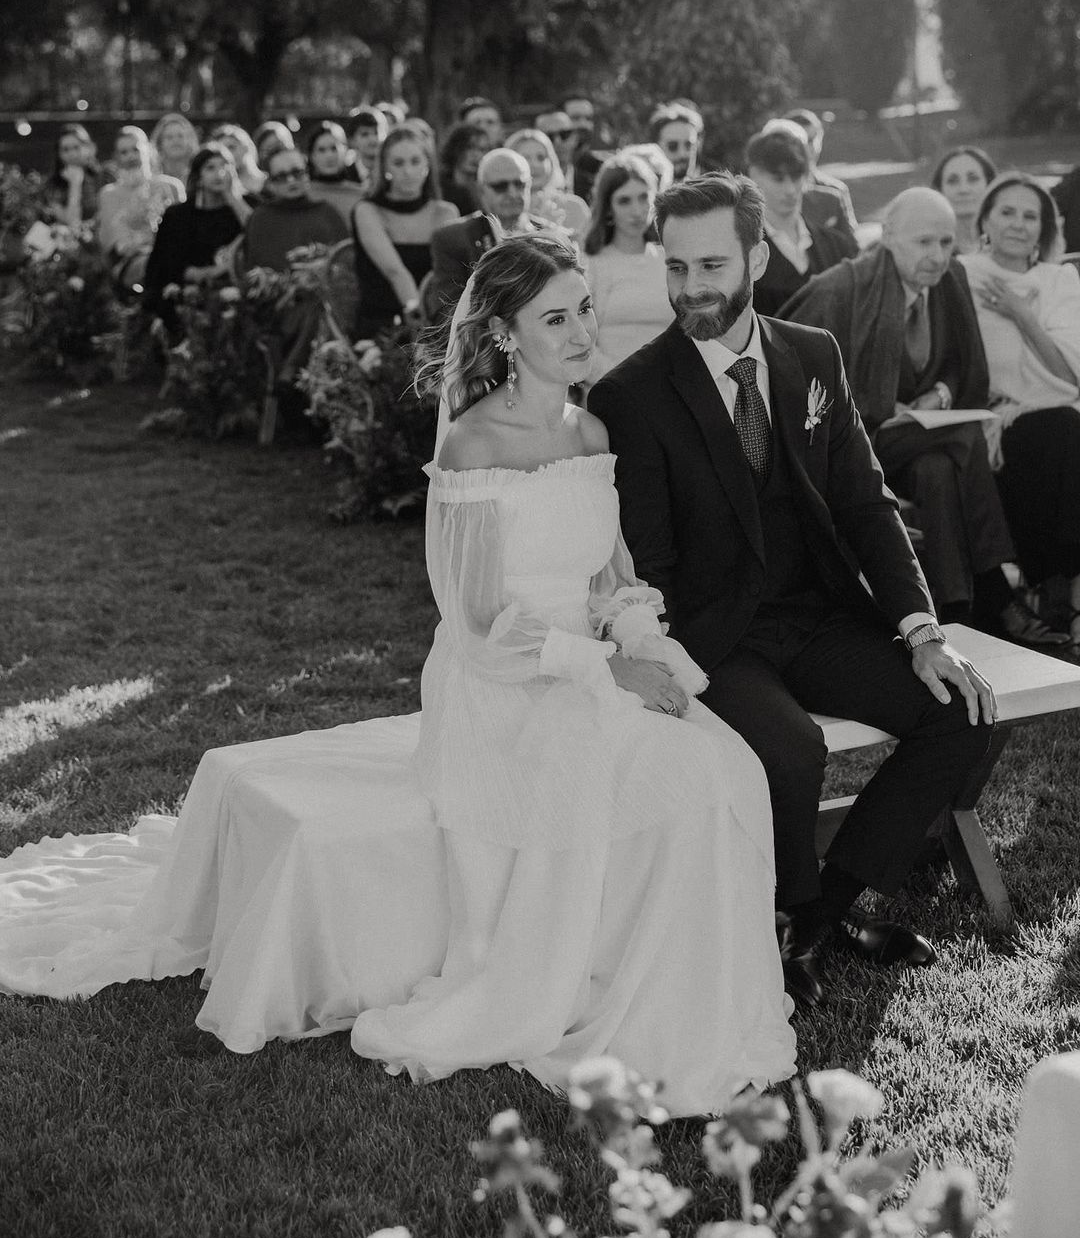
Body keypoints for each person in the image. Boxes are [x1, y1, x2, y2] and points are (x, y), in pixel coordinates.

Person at [0, 234, 796, 1114]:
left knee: (729, 768)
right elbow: (484, 626)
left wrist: (637, 634)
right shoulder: (474, 447)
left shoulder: (592, 426)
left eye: (585, 311)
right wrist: (609, 676)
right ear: (502, 334)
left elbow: (607, 573)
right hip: (505, 685)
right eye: (556, 317)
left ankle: (694, 985)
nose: (580, 333)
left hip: (592, 657)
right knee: (668, 776)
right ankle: (610, 990)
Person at [589, 172, 997, 1012]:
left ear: (757, 255)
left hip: (819, 616)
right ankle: (798, 919)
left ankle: (817, 918)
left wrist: (923, 632)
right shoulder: (629, 395)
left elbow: (865, 502)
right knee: (792, 752)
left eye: (711, 265)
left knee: (960, 710)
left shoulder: (812, 354)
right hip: (719, 636)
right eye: (677, 268)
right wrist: (667, 663)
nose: (693, 288)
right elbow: (652, 561)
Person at [780, 188, 1057, 645]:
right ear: (888, 236)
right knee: (965, 439)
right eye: (924, 242)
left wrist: (942, 395)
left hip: (921, 444)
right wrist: (880, 406)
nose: (937, 256)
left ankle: (952, 610)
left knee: (939, 469)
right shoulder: (842, 289)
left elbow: (963, 365)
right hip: (858, 441)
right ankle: (995, 591)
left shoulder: (948, 283)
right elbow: (794, 380)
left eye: (947, 243)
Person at [962, 174, 1080, 646]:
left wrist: (1020, 312)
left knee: (1063, 427)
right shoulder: (961, 274)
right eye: (1007, 212)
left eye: (1031, 216)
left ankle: (1065, 591)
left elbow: (1071, 373)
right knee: (1057, 431)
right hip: (997, 418)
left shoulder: (1059, 279)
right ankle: (1062, 594)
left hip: (1058, 411)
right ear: (986, 219)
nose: (1018, 224)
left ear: (1045, 228)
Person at [352, 126, 458, 337]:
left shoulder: (445, 212)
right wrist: (419, 318)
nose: (408, 171)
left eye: (415, 161)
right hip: (384, 325)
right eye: (398, 163)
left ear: (427, 164)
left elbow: (447, 276)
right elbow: (396, 273)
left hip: (438, 321)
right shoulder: (367, 211)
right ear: (385, 168)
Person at [427, 147, 555, 318]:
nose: (512, 193)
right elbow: (446, 311)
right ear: (481, 191)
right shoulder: (453, 239)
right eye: (500, 187)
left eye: (519, 184)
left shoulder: (550, 235)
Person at [142, 143, 251, 337]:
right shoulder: (179, 216)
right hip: (188, 291)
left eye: (225, 166)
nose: (220, 173)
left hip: (237, 288)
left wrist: (231, 197)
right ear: (198, 176)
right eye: (211, 167)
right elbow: (166, 266)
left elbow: (258, 232)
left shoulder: (246, 206)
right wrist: (212, 272)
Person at [744, 125, 852, 317]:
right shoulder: (743, 251)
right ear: (754, 174)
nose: (790, 190)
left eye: (796, 177)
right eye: (778, 179)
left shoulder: (836, 245)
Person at [583, 154, 673, 378]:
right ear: (608, 207)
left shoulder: (671, 261)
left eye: (644, 198)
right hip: (608, 387)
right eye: (624, 200)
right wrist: (621, 381)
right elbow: (579, 341)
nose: (637, 210)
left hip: (670, 387)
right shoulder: (589, 264)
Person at [95, 126, 185, 291]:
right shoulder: (108, 194)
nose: (130, 157)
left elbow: (184, 232)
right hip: (132, 265)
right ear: (116, 157)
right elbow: (119, 246)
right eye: (124, 152)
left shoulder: (171, 186)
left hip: (173, 258)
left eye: (135, 150)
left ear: (148, 150)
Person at [242, 147, 347, 272]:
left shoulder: (327, 213)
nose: (291, 181)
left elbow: (345, 258)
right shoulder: (261, 218)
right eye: (281, 176)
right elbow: (258, 267)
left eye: (297, 173)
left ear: (307, 174)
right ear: (271, 183)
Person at [783, 108, 860, 256]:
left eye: (812, 140)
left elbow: (851, 249)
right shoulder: (769, 191)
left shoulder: (836, 190)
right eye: (801, 142)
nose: (807, 149)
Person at [506, 128, 589, 240]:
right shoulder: (504, 209)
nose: (535, 164)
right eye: (525, 158)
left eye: (541, 157)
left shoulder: (575, 207)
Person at [930, 146, 997, 257]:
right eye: (952, 181)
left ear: (989, 185)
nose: (963, 189)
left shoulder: (1009, 245)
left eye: (973, 179)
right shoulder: (930, 252)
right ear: (939, 190)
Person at [38, 124, 102, 232]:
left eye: (76, 147)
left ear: (88, 147)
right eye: (65, 149)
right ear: (59, 154)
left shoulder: (103, 176)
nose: (72, 154)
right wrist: (75, 184)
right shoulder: (53, 185)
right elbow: (72, 223)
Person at [305, 120, 367, 219]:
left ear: (345, 150)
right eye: (321, 150)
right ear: (312, 156)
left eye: (334, 149)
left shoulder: (362, 196)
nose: (329, 156)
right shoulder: (304, 196)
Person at [437, 121, 489, 216]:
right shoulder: (438, 186)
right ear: (455, 148)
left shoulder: (489, 188)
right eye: (469, 147)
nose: (476, 155)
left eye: (481, 149)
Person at [210, 124, 267, 202]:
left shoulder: (273, 180)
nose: (228, 154)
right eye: (223, 151)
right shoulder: (224, 190)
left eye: (231, 147)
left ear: (246, 147)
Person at [650, 103, 704, 183]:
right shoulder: (642, 193)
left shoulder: (711, 193)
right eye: (672, 146)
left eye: (688, 145)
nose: (682, 154)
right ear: (656, 147)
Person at [150, 113, 200, 188]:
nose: (175, 141)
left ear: (190, 140)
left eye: (180, 136)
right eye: (169, 137)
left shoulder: (199, 176)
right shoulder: (152, 176)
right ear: (160, 143)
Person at [347, 107, 391, 189]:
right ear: (352, 141)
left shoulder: (393, 172)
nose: (373, 140)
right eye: (365, 134)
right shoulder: (344, 176)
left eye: (376, 132)